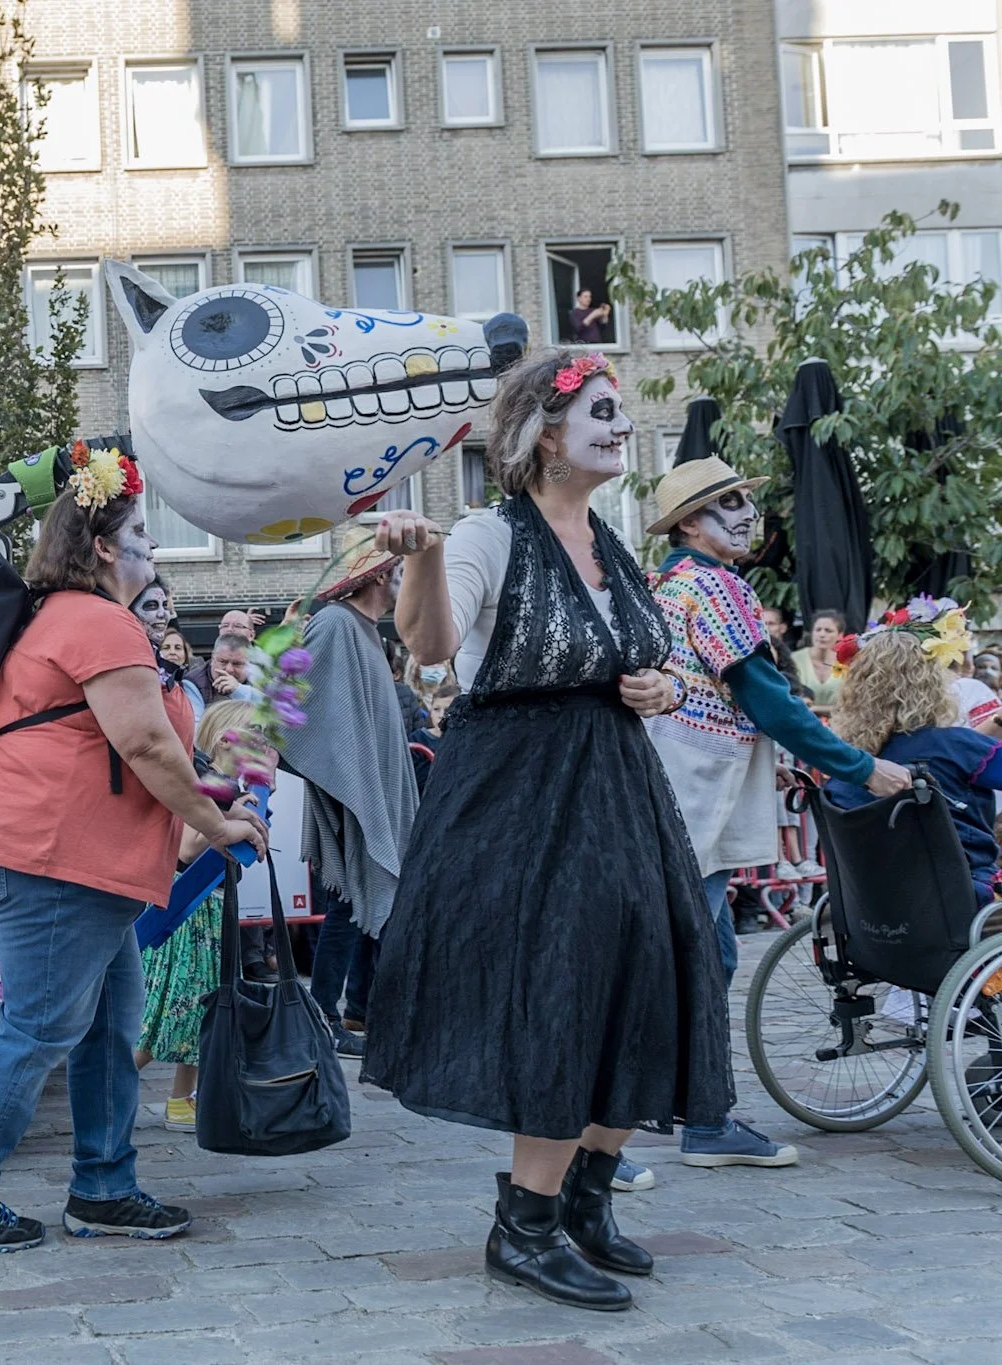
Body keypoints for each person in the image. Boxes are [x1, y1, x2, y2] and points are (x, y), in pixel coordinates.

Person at [367, 349, 735, 1311]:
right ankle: (522, 1227)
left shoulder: (605, 536)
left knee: (657, 974)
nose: (620, 426)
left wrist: (651, 685)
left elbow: (629, 659)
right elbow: (433, 646)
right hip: (528, 798)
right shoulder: (492, 531)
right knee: (566, 988)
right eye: (602, 411)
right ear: (543, 434)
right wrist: (425, 553)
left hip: (618, 792)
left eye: (620, 411)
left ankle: (585, 1197)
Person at [0, 448, 266, 1253]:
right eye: (141, 531)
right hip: (52, 860)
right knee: (38, 1028)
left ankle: (103, 1186)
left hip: (73, 861)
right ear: (104, 546)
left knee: (108, 1026)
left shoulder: (66, 618)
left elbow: (139, 744)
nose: (153, 546)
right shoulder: (97, 618)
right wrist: (214, 826)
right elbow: (143, 742)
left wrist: (211, 799)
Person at [644, 457, 910, 1177]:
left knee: (697, 952)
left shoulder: (667, 583)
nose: (743, 513)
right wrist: (859, 764)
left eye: (742, 501)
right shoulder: (716, 584)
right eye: (726, 502)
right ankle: (700, 1118)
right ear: (690, 522)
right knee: (704, 957)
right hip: (692, 787)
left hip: (670, 781)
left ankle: (674, 1100)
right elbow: (766, 697)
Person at [277, 526, 420, 1060]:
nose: (407, 583)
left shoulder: (369, 633)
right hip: (350, 794)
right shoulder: (336, 624)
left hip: (372, 789)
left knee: (364, 904)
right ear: (382, 576)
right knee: (345, 905)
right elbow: (300, 710)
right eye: (401, 573)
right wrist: (352, 779)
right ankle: (325, 1014)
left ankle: (359, 1011)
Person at [135, 700, 267, 1132]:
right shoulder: (212, 780)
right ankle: (110, 1087)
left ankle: (179, 1101)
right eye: (254, 736)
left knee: (194, 1010)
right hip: (188, 909)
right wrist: (232, 821)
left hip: (202, 907)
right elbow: (188, 847)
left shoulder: (221, 780)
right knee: (168, 1012)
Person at [825, 620, 1000, 907]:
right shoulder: (957, 747)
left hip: (874, 907)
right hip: (961, 897)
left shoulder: (847, 764)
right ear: (932, 684)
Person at [132, 576, 204, 723]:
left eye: (165, 606)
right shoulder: (131, 662)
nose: (162, 614)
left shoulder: (168, 669)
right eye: (151, 606)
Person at [790, 610, 846, 712]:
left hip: (839, 723)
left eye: (828, 630)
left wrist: (816, 709)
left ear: (840, 635)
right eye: (818, 629)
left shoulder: (845, 662)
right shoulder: (794, 659)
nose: (822, 634)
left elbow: (851, 704)